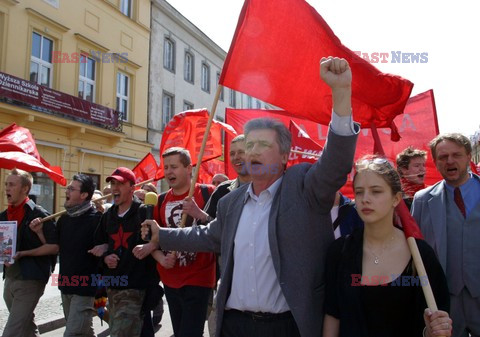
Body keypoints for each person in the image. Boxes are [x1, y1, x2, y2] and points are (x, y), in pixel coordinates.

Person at [136, 56, 360, 337]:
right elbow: (206, 235)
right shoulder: (231, 202)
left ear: (284, 155)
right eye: (250, 144)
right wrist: (161, 235)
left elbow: (337, 163)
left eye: (264, 145)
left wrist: (340, 93)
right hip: (233, 325)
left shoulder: (304, 188)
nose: (252, 152)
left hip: (287, 327)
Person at [323, 156, 451, 337]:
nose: (365, 199)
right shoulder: (339, 252)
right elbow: (333, 315)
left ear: (396, 198)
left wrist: (434, 330)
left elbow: (435, 318)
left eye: (376, 191)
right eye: (359, 192)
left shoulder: (420, 256)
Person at [181, 134, 252, 337]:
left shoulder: (267, 188)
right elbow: (208, 232)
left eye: (242, 151)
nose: (237, 157)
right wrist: (198, 214)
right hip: (226, 279)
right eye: (232, 153)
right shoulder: (223, 191)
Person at [142, 147, 215, 337]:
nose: (168, 172)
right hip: (170, 279)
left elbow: (220, 232)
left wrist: (199, 214)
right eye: (166, 167)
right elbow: (154, 240)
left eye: (174, 166)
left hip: (199, 278)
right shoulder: (160, 200)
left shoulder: (209, 193)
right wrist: (160, 258)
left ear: (189, 168)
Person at [412, 133, 480, 337]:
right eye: (443, 157)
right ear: (435, 162)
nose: (450, 161)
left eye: (456, 154)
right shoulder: (423, 200)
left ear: (469, 156)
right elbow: (416, 251)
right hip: (444, 302)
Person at [32, 174, 101, 336]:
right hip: (66, 284)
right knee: (84, 332)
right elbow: (55, 247)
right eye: (67, 188)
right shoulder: (64, 219)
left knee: (71, 333)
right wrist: (39, 232)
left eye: (71, 189)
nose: (66, 191)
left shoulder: (97, 219)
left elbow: (107, 247)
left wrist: (104, 248)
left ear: (84, 195)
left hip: (86, 287)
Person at [94, 167, 159, 337]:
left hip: (135, 289)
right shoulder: (108, 216)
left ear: (132, 187)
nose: (115, 188)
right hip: (112, 286)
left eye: (120, 184)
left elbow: (158, 245)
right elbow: (99, 244)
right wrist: (106, 257)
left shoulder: (144, 212)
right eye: (113, 183)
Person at [1, 168, 58, 337]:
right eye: (6, 184)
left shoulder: (39, 214)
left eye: (12, 184)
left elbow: (54, 246)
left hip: (31, 278)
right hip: (10, 277)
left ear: (25, 189)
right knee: (25, 326)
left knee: (12, 330)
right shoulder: (4, 216)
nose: (7, 188)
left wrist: (24, 253)